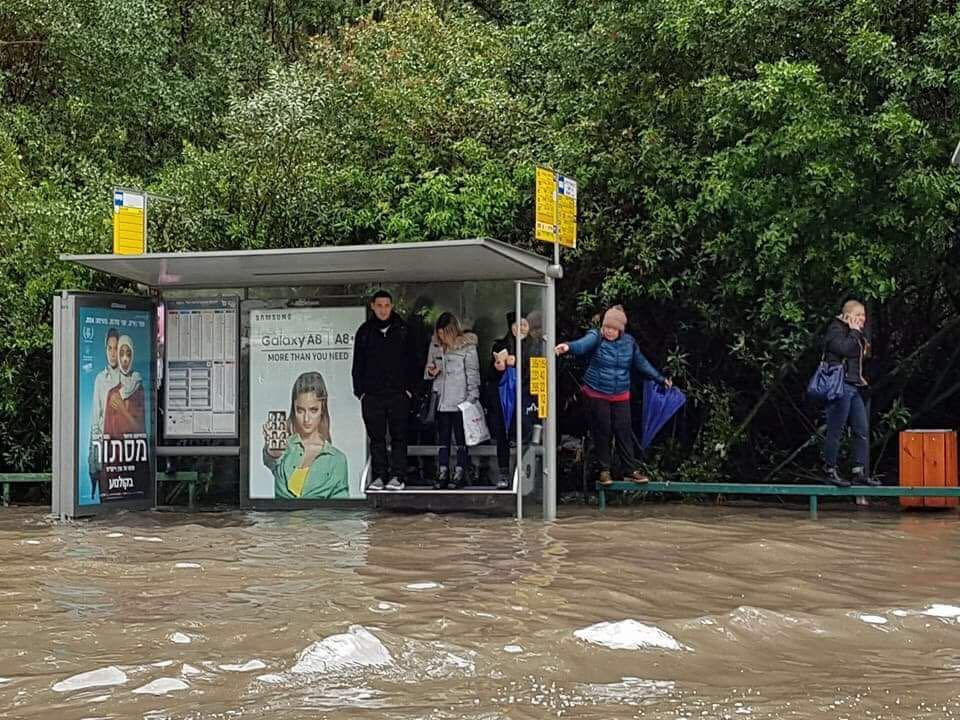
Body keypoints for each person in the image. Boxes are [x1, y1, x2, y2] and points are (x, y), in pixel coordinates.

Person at [555, 305, 672, 486]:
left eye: (613, 328)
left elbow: (641, 363)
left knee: (623, 430)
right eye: (606, 327)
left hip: (620, 394)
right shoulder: (596, 337)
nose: (609, 331)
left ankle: (630, 470)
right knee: (603, 430)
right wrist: (567, 347)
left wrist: (659, 379)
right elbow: (582, 344)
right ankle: (604, 471)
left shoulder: (629, 343)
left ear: (621, 330)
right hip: (596, 392)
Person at [352, 290, 419, 491]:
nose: (383, 309)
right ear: (372, 306)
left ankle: (398, 476)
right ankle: (380, 476)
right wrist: (360, 391)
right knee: (377, 438)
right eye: (379, 305)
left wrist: (410, 390)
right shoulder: (364, 332)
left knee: (399, 436)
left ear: (392, 306)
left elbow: (415, 362)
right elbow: (358, 364)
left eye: (387, 305)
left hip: (398, 394)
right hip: (372, 395)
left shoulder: (403, 330)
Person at [263, 371, 349, 499]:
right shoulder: (285, 447)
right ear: (293, 409)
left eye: (313, 410)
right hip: (279, 518)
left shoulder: (337, 459)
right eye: (300, 410)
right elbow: (271, 459)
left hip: (319, 519)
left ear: (322, 410)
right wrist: (274, 451)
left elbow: (341, 510)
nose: (306, 419)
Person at [822, 300, 879, 487]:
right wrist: (854, 332)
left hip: (856, 386)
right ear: (848, 315)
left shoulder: (858, 333)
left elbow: (865, 354)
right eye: (859, 315)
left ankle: (859, 470)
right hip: (840, 385)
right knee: (836, 429)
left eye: (864, 315)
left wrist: (860, 335)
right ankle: (830, 469)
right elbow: (843, 349)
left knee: (861, 430)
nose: (862, 319)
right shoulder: (836, 329)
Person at [425, 312, 481, 489]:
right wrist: (431, 371)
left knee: (460, 439)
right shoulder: (435, 346)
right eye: (439, 333)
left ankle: (460, 471)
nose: (442, 337)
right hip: (441, 399)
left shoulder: (467, 347)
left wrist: (472, 397)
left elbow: (472, 372)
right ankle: (442, 470)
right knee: (443, 439)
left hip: (461, 401)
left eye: (445, 333)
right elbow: (427, 369)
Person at [485, 313, 531, 489]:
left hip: (527, 397)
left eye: (524, 324)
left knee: (526, 434)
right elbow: (489, 375)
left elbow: (540, 368)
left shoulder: (535, 345)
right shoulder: (500, 345)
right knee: (502, 435)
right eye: (516, 325)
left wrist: (519, 363)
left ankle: (525, 474)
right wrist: (498, 367)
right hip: (504, 399)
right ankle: (503, 474)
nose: (520, 329)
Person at [88, 327, 120, 498]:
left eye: (116, 348)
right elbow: (95, 420)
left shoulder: (131, 380)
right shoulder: (100, 380)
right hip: (105, 449)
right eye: (110, 348)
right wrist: (93, 462)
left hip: (124, 452)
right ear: (105, 349)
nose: (113, 353)